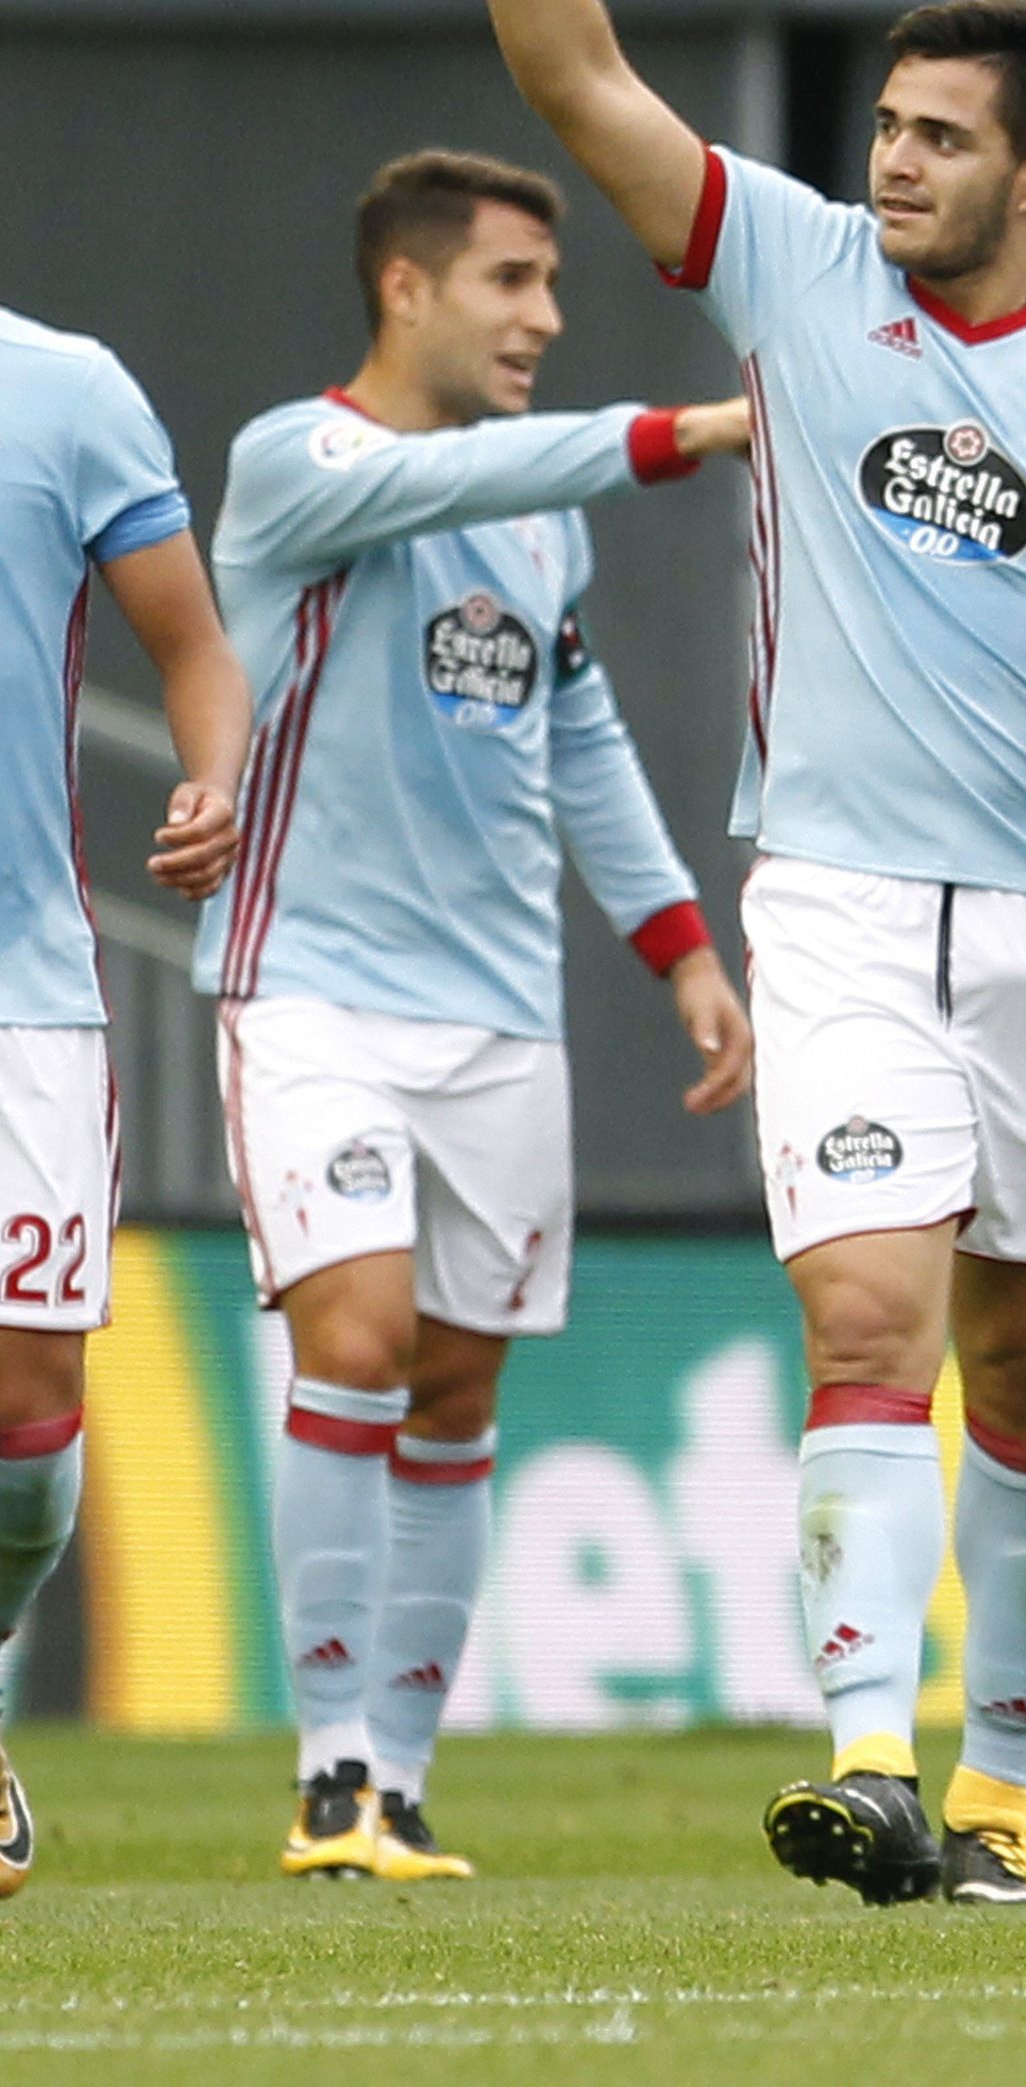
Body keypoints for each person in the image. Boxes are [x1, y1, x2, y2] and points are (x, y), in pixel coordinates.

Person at [389, 0, 1026, 1909]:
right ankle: (872, 1765)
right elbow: (571, 75)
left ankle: (1009, 1777)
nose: (888, 160)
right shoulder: (792, 270)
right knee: (868, 1313)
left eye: (938, 135)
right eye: (881, 124)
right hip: (849, 903)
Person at [192, 148, 752, 1881]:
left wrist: (680, 947)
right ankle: (328, 1768)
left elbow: (574, 737)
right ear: (407, 288)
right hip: (313, 993)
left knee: (453, 1389)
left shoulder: (537, 516)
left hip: (502, 1017)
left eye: (554, 284)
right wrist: (698, 431)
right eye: (513, 280)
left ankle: (404, 1784)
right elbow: (474, 468)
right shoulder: (299, 465)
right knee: (352, 1341)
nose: (547, 317)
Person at [1, 303, 250, 1900]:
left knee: (26, 1423)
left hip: (19, 986)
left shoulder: (69, 387)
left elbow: (197, 650)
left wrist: (212, 779)